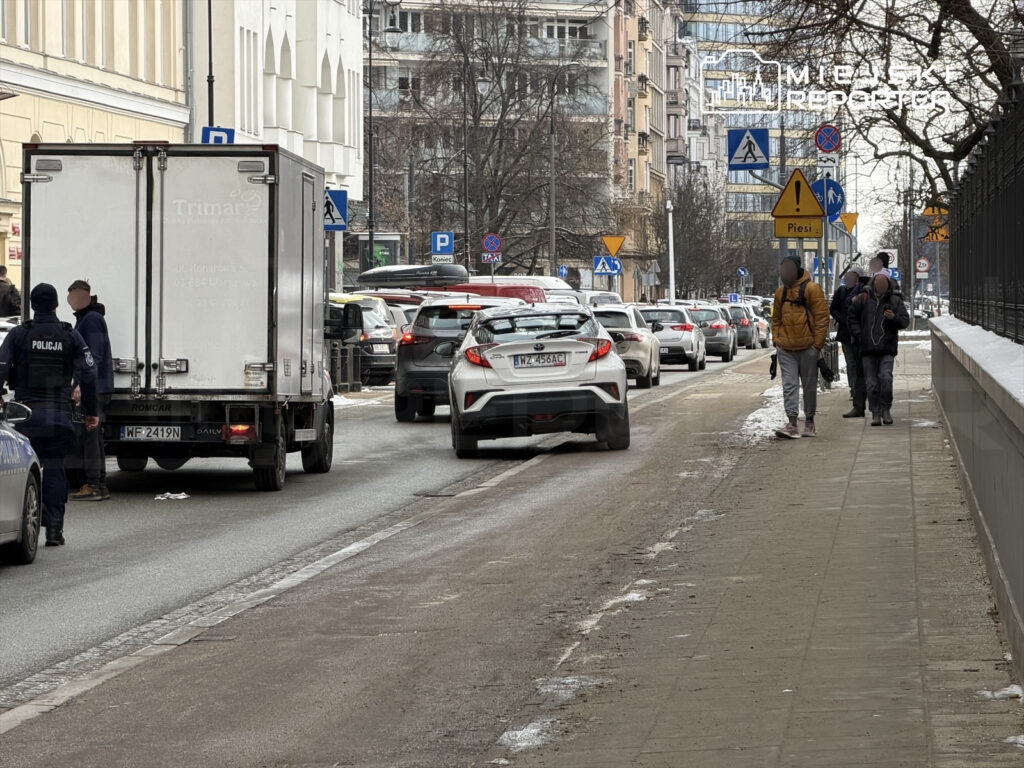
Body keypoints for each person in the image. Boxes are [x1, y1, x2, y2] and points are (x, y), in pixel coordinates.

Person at [0, 283, 98, 545]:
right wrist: (92, 410)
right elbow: (89, 373)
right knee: (55, 467)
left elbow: (0, 365)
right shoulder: (69, 334)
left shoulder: (21, 333)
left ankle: (23, 529)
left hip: (26, 417)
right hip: (59, 416)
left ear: (32, 305)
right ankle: (54, 532)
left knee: (24, 473)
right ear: (56, 304)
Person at [772, 255, 830, 439]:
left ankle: (810, 422)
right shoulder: (780, 293)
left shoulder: (812, 289)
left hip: (808, 348)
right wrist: (777, 340)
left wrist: (816, 345)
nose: (784, 273)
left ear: (797, 270)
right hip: (786, 348)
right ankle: (792, 423)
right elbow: (776, 319)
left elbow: (822, 318)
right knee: (789, 386)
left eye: (788, 269)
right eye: (782, 269)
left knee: (809, 386)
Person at [67, 280, 114, 501]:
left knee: (89, 434)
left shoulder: (91, 319)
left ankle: (93, 484)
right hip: (96, 385)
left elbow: (93, 356)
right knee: (94, 435)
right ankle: (99, 484)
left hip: (94, 386)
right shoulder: (86, 318)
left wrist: (80, 383)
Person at [848, 269, 910, 427]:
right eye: (877, 281)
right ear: (873, 282)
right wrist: (859, 334)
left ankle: (885, 409)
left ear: (887, 283)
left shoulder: (895, 300)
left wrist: (893, 317)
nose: (880, 284)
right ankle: (875, 413)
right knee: (871, 383)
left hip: (887, 347)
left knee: (886, 378)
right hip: (867, 347)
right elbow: (851, 317)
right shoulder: (863, 298)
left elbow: (905, 321)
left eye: (883, 282)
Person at [830, 266, 867, 418]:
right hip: (846, 333)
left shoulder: (865, 291)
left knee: (863, 364)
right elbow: (833, 309)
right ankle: (854, 390)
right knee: (851, 363)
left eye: (855, 276)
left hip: (861, 334)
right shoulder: (841, 291)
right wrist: (841, 319)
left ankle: (864, 390)